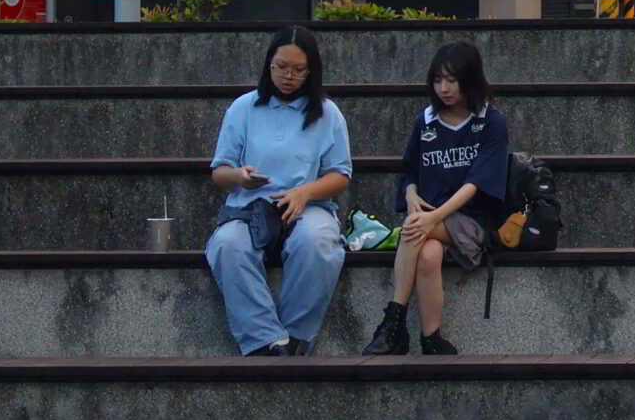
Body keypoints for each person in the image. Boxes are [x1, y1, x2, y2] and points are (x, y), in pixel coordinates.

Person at [207, 26, 352, 355]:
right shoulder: (243, 108)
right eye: (281, 67)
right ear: (268, 64)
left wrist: (304, 193)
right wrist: (240, 177)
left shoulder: (328, 113)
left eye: (299, 70)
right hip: (250, 206)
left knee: (316, 243)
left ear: (311, 71)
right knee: (228, 245)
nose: (288, 77)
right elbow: (220, 172)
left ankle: (298, 336)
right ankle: (266, 340)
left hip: (309, 206)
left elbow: (341, 175)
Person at [364, 40, 510, 356]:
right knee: (429, 255)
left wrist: (431, 217)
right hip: (431, 221)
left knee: (413, 228)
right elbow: (409, 171)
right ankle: (431, 338)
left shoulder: (491, 122)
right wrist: (411, 195)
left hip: (472, 221)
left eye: (452, 80)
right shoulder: (427, 120)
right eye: (438, 80)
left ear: (470, 79)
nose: (444, 88)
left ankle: (393, 323)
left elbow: (477, 184)